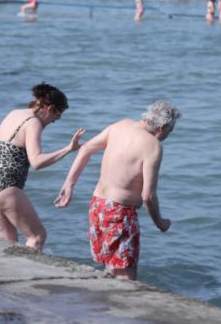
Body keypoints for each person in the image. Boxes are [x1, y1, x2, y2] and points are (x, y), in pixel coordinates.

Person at [54, 100, 181, 280]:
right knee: (126, 276)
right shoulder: (153, 145)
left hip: (98, 206)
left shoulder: (120, 126)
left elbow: (86, 148)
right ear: (162, 126)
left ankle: (103, 306)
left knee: (111, 268)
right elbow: (148, 196)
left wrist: (69, 185)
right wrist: (159, 222)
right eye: (170, 131)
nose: (168, 135)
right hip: (119, 214)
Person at [0, 83, 84, 251]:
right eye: (58, 115)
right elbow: (36, 162)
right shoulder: (33, 122)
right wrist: (68, 149)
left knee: (8, 245)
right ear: (50, 109)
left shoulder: (15, 113)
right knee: (37, 237)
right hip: (5, 186)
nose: (55, 121)